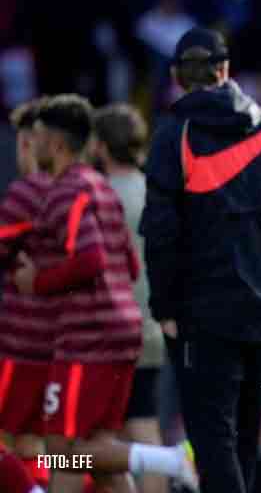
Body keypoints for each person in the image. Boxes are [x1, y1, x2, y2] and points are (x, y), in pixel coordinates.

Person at [140, 26, 261, 493]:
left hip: (206, 310)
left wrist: (165, 308)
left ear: (176, 77)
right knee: (246, 432)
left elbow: (162, 233)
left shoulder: (175, 135)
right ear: (225, 70)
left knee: (212, 434)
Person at [12, 95, 197, 492]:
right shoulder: (101, 188)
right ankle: (161, 459)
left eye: (36, 140)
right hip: (121, 331)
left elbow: (92, 259)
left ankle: (165, 459)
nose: (29, 148)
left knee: (60, 450)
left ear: (57, 145)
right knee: (92, 449)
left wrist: (40, 283)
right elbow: (128, 263)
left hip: (87, 339)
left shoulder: (69, 191)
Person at [92, 104, 168, 493]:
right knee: (143, 425)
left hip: (109, 335)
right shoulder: (157, 193)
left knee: (94, 439)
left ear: (102, 146)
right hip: (151, 329)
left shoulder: (100, 197)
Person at [0, 99, 54, 491]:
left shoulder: (24, 195)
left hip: (24, 346)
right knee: (42, 448)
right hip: (67, 343)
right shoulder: (79, 187)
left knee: (14, 445)